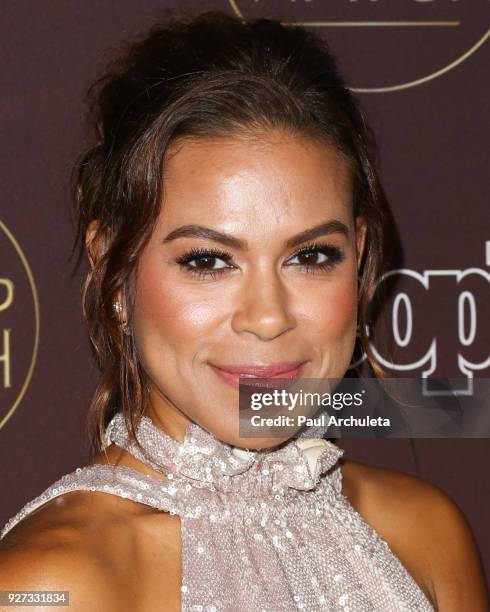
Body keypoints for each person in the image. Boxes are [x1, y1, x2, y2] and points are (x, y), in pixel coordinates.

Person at [0, 11, 488, 612]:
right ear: (113, 269)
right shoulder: (47, 585)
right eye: (208, 261)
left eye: (311, 255)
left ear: (359, 258)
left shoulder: (427, 536)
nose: (266, 317)